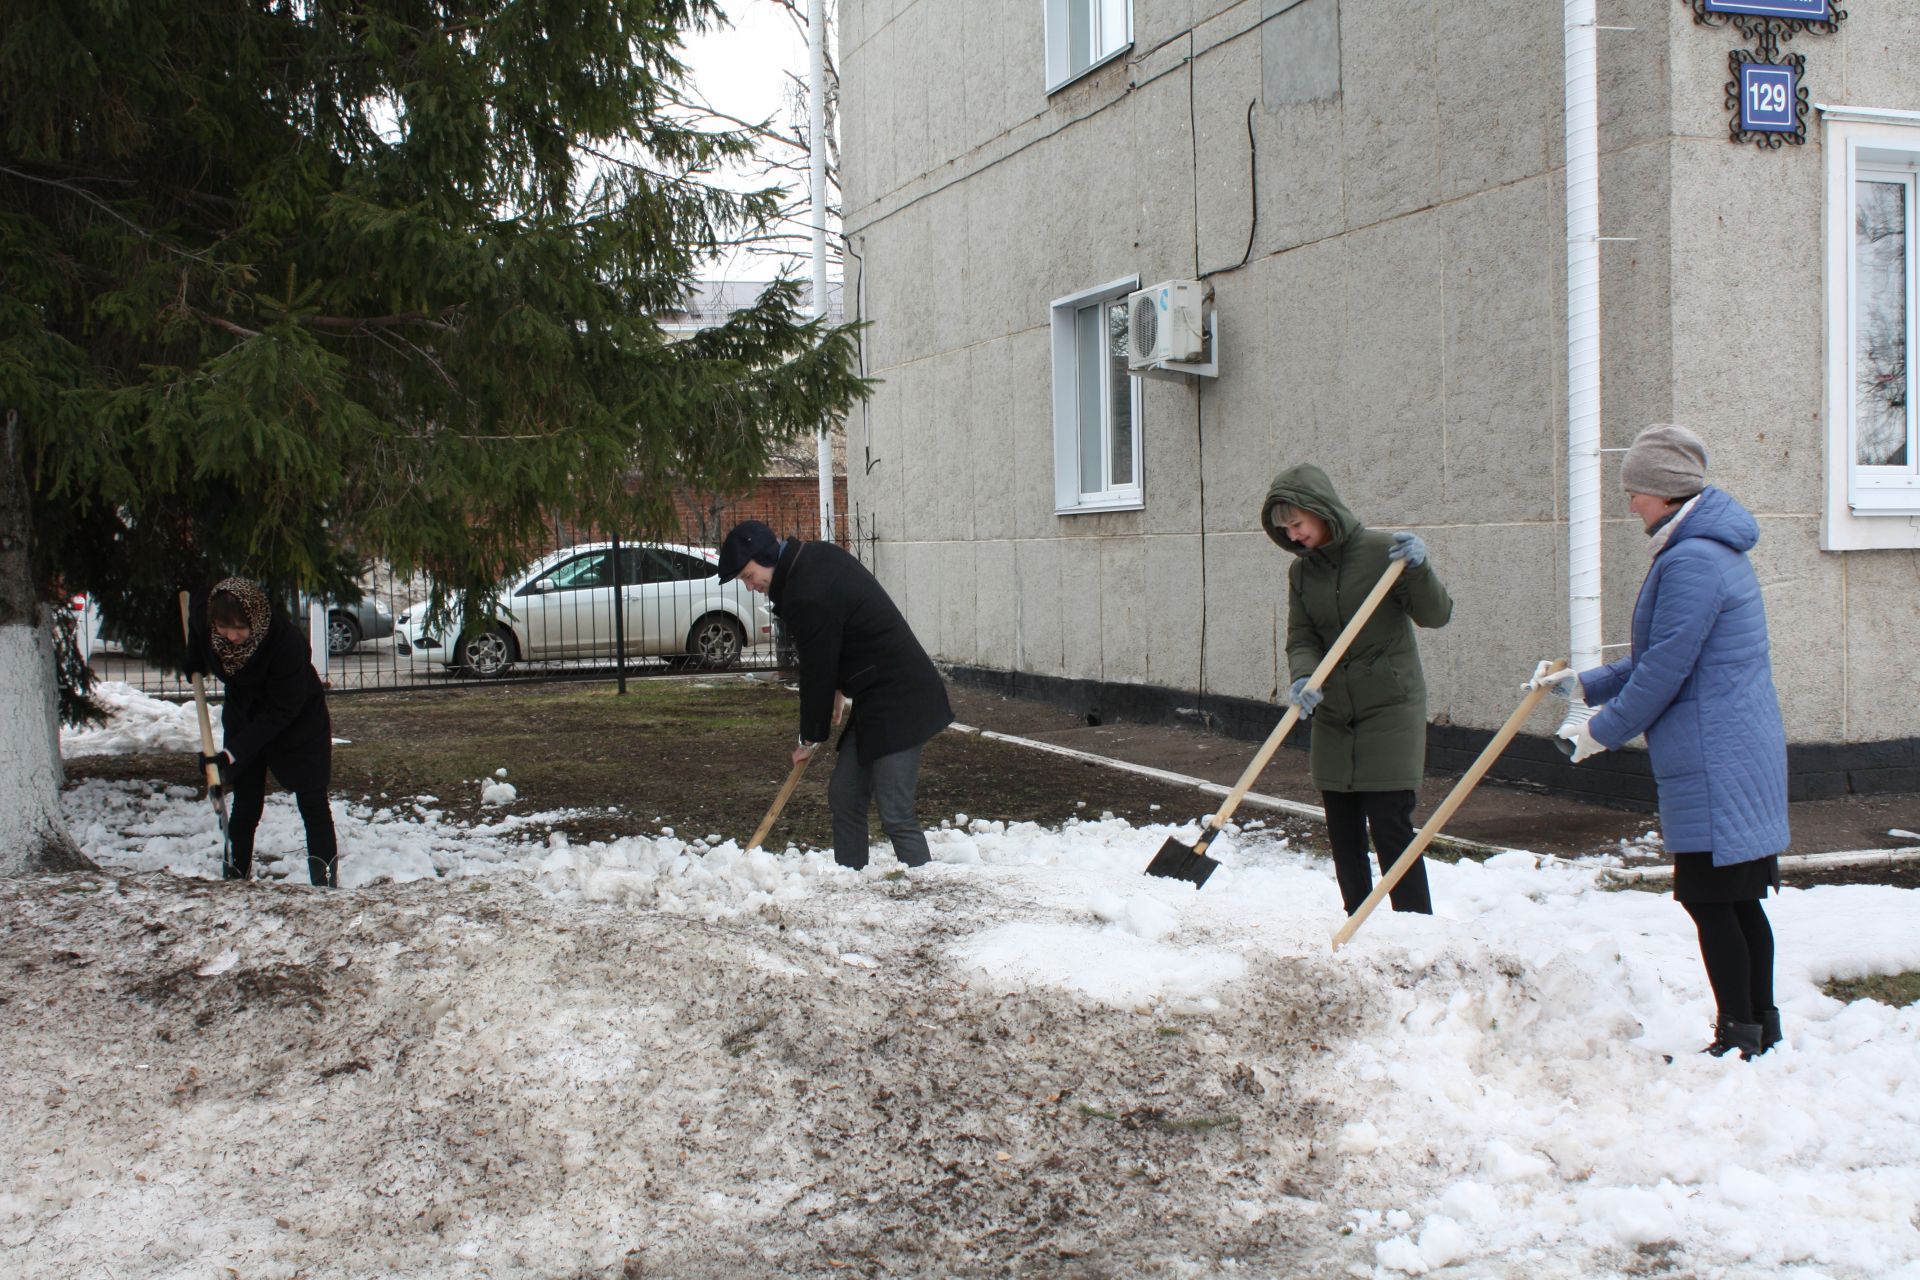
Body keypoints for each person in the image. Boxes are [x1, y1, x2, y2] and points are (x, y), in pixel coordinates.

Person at [1534, 424, 1788, 1061]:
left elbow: (1665, 672)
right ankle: (1760, 1025)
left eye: (1636, 492)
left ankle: (1739, 1036)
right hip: (1733, 747)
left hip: (1714, 756)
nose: (1630, 505)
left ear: (1665, 492)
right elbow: (1663, 657)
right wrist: (1582, 685)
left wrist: (1599, 733)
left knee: (1710, 901)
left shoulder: (1693, 559)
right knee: (1738, 899)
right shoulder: (1705, 550)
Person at [1261, 465, 1453, 917]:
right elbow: (1303, 636)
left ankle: (1413, 926)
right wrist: (1304, 676)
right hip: (1333, 710)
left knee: (1389, 823)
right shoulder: (1302, 574)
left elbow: (1436, 615)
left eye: (1298, 524)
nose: (1294, 535)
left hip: (1390, 704)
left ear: (1320, 511)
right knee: (1342, 826)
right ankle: (1358, 921)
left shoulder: (1384, 552)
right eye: (1285, 530)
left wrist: (1420, 569)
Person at [717, 521, 953, 871]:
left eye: (749, 575)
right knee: (845, 796)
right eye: (744, 581)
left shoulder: (805, 592)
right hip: (877, 697)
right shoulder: (812, 560)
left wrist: (810, 736)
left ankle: (929, 901)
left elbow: (817, 668)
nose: (751, 586)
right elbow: (842, 633)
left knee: (895, 813)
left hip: (903, 699)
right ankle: (850, 880)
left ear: (766, 557)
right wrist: (838, 690)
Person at [184, 577, 339, 887]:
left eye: (240, 628)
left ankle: (325, 882)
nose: (231, 636)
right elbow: (196, 623)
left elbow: (282, 711)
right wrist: (194, 656)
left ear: (255, 620)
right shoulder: (207, 615)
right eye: (224, 629)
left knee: (312, 799)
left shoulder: (286, 643)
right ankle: (236, 876)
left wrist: (230, 754)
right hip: (244, 713)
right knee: (246, 800)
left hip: (297, 721)